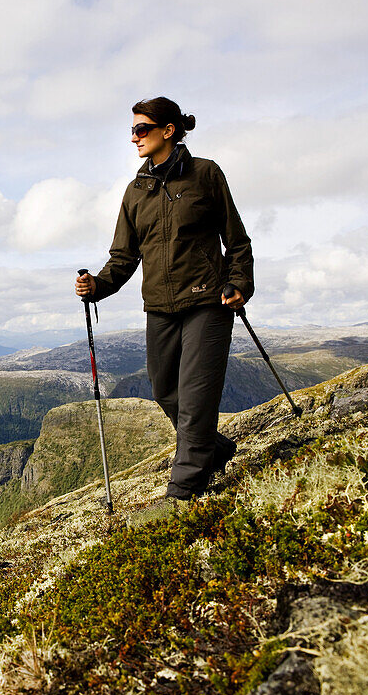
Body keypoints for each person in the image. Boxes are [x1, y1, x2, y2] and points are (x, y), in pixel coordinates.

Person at [75, 96, 254, 512]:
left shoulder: (206, 174)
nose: (134, 137)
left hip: (208, 303)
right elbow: (124, 258)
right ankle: (214, 449)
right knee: (164, 390)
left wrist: (239, 282)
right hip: (159, 307)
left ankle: (182, 493)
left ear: (168, 130)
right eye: (132, 130)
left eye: (141, 129)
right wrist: (97, 286)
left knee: (193, 398)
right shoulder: (136, 191)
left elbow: (237, 241)